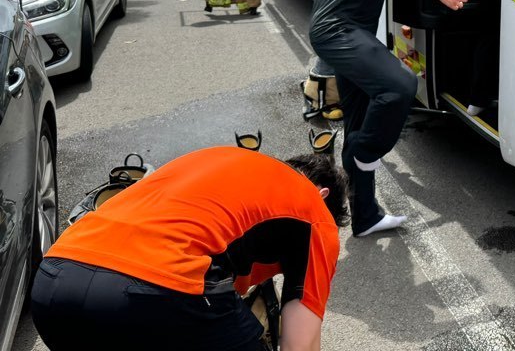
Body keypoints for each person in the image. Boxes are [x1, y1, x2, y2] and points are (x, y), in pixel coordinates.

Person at [31, 147, 349, 351]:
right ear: (321, 195)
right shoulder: (315, 215)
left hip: (55, 282)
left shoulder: (224, 165)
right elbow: (300, 341)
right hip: (155, 289)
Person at [309, 0, 472, 237]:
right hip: (339, 31)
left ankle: (365, 217)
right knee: (400, 85)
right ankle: (362, 154)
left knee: (359, 117)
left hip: (350, 31)